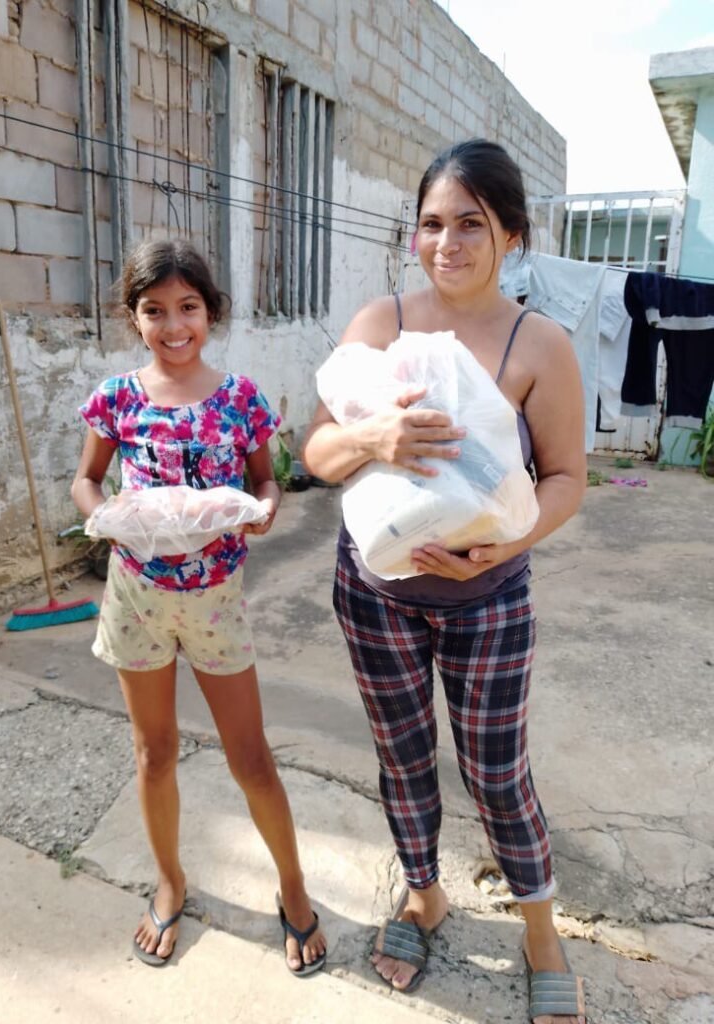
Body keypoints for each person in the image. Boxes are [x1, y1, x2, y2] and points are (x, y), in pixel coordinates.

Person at [302, 139, 587, 1023]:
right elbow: (317, 455)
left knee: (497, 773)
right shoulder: (380, 323)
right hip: (376, 591)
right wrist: (373, 439)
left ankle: (540, 930)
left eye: (471, 224)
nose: (447, 244)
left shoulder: (540, 344)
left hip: (488, 599)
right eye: (431, 224)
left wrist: (501, 550)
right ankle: (423, 895)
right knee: (402, 756)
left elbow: (566, 478)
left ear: (512, 236)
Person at [72, 238, 326, 976]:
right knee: (154, 752)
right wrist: (106, 517)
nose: (173, 325)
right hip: (136, 597)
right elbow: (87, 481)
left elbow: (265, 480)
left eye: (188, 307)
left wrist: (264, 509)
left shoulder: (240, 398)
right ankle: (170, 881)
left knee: (251, 757)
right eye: (154, 310)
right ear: (134, 317)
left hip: (215, 601)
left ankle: (293, 885)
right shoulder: (117, 398)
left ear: (210, 313)